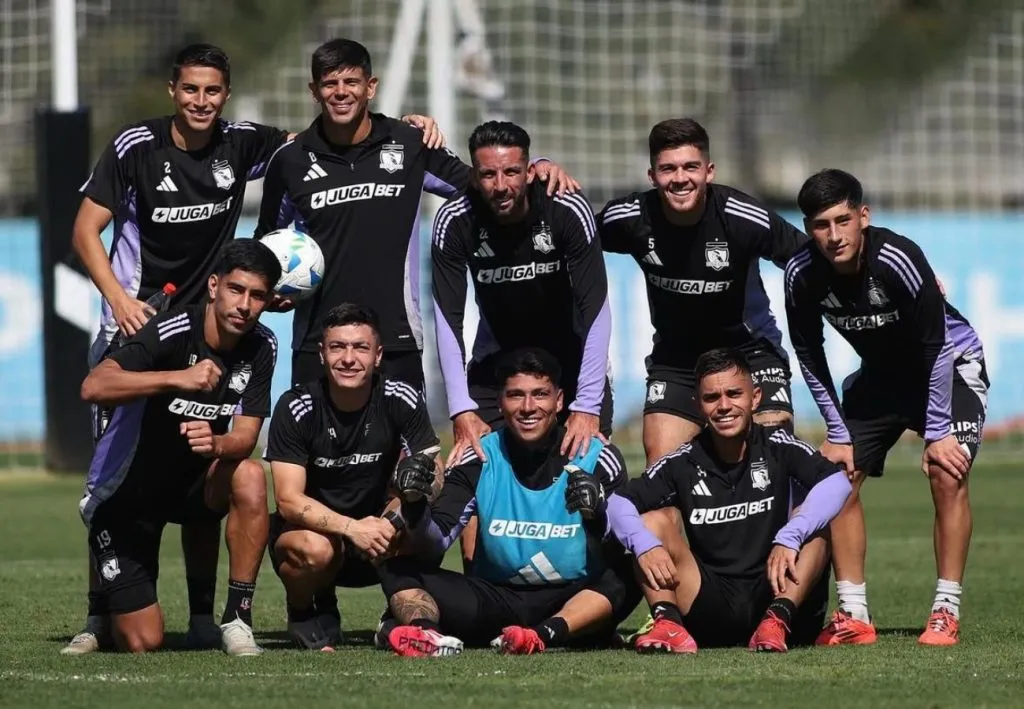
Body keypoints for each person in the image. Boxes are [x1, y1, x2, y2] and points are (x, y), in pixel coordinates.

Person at [65, 43, 444, 655]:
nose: (201, 101)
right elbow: (85, 229)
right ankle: (94, 616)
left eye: (213, 91)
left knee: (214, 467)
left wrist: (415, 127)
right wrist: (118, 301)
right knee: (111, 477)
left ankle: (207, 619)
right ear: (173, 90)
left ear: (226, 95)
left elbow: (320, 136)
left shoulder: (243, 143)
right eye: (191, 90)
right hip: (140, 329)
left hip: (216, 330)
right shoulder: (136, 145)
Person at [255, 38, 580, 390]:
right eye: (329, 83)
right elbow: (266, 246)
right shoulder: (289, 162)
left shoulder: (410, 144)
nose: (341, 92)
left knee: (409, 447)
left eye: (351, 82)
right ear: (313, 91)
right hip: (319, 343)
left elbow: (484, 187)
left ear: (371, 86)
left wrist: (539, 168)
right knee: (312, 446)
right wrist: (269, 290)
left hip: (396, 338)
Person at [784, 169, 988, 647]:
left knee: (946, 471)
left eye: (842, 220)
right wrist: (836, 431)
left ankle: (946, 610)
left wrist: (938, 432)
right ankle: (853, 613)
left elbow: (936, 346)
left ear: (863, 217)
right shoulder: (801, 274)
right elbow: (808, 353)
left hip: (950, 365)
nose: (833, 236)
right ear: (809, 228)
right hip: (882, 378)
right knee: (834, 477)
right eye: (820, 225)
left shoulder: (897, 257)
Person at [77, 239, 281, 655]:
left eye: (257, 295)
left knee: (249, 473)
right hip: (130, 493)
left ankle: (236, 619)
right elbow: (94, 386)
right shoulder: (172, 329)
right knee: (142, 641)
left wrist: (219, 442)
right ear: (213, 286)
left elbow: (245, 435)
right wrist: (176, 379)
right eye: (236, 289)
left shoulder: (262, 346)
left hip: (193, 485)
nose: (244, 304)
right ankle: (100, 613)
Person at [375, 348, 637, 656]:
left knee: (633, 566)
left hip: (574, 600)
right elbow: (435, 542)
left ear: (559, 400)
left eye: (540, 394)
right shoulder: (479, 457)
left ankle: (543, 635)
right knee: (396, 563)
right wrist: (415, 504)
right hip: (496, 601)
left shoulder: (597, 456)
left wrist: (597, 515)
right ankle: (426, 634)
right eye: (515, 395)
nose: (528, 407)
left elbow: (622, 542)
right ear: (500, 401)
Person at [595, 347, 851, 653]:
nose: (724, 406)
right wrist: (644, 544)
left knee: (814, 521)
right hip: (709, 605)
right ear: (698, 405)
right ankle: (668, 625)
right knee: (651, 523)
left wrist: (791, 534)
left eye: (734, 394)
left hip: (778, 595)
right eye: (712, 398)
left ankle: (776, 621)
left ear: (755, 397)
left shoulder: (779, 446)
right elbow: (616, 503)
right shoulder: (682, 461)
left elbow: (837, 483)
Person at [598, 118, 808, 466]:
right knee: (661, 470)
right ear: (652, 176)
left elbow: (810, 263)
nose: (680, 178)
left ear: (709, 171)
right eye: (668, 169)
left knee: (774, 459)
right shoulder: (630, 217)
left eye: (690, 167)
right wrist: (542, 172)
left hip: (750, 354)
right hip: (677, 363)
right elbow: (569, 233)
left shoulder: (743, 217)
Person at [263, 303, 443, 650]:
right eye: (337, 347)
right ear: (321, 353)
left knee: (428, 528)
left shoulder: (400, 396)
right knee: (314, 548)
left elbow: (433, 469)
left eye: (360, 347)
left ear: (378, 356)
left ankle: (393, 616)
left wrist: (394, 518)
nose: (348, 358)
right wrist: (351, 527)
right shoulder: (296, 406)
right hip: (318, 535)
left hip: (378, 534)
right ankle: (304, 611)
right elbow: (287, 500)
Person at [432, 120, 612, 465]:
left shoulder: (565, 208)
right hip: (494, 369)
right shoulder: (455, 221)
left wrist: (587, 405)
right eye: (488, 175)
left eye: (511, 172)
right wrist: (460, 409)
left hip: (569, 367)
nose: (501, 186)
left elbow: (597, 309)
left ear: (530, 172)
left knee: (583, 479)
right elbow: (446, 318)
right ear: (474, 176)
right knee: (473, 478)